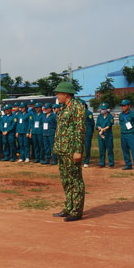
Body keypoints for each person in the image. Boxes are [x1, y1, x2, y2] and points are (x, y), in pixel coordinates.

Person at [52, 81, 86, 222]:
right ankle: (69, 207)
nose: (57, 96)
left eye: (58, 93)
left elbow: (80, 130)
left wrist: (78, 150)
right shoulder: (64, 107)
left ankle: (76, 210)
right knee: (66, 180)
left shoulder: (77, 107)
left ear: (66, 94)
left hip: (72, 150)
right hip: (62, 150)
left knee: (75, 180)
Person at [96, 102, 115, 168]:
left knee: (109, 149)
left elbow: (109, 125)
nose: (102, 110)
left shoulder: (110, 116)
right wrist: (100, 128)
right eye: (101, 109)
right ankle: (102, 163)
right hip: (101, 136)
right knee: (101, 149)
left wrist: (103, 129)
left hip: (108, 135)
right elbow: (97, 124)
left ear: (107, 109)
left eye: (104, 109)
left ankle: (111, 163)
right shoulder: (99, 116)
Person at [82, 101, 95, 168]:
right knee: (79, 147)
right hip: (80, 132)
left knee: (87, 147)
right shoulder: (77, 113)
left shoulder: (88, 113)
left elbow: (92, 123)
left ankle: (86, 161)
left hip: (87, 132)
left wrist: (91, 131)